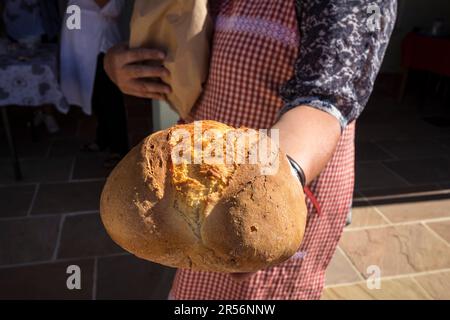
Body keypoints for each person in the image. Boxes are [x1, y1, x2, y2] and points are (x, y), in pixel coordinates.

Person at [104, 0, 397, 299]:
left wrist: (271, 193)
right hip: (198, 186)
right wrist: (117, 62)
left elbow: (326, 99)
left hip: (287, 178)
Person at [60, 0, 129, 166]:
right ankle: (103, 139)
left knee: (110, 100)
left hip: (99, 47)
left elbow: (111, 8)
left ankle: (119, 149)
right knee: (95, 97)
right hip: (80, 45)